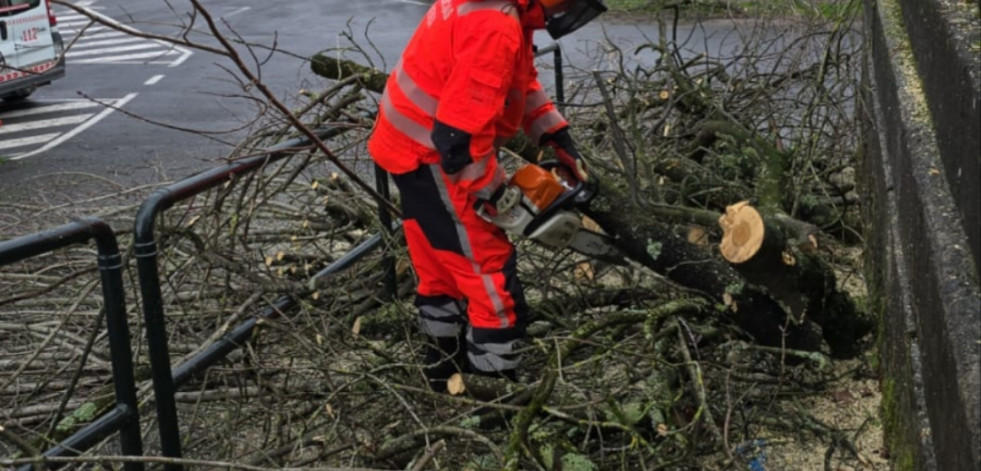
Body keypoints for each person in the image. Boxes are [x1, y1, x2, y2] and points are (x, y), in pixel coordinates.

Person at [367, 0, 606, 390]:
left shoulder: (505, 9)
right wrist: (498, 198)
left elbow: (519, 82)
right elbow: (457, 142)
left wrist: (555, 135)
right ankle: (493, 389)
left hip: (407, 144)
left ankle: (442, 370)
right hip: (432, 154)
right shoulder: (495, 25)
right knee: (489, 275)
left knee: (441, 265)